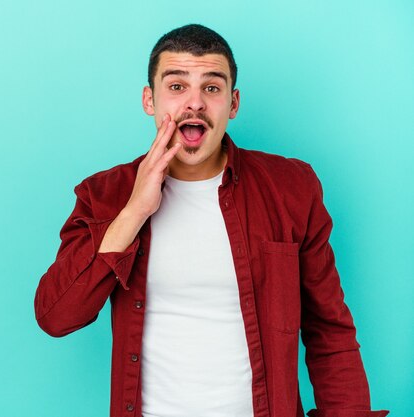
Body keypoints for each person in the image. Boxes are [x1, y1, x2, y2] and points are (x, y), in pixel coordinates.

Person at [34, 24, 388, 417]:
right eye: (176, 86)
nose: (195, 104)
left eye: (212, 88)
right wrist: (134, 210)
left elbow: (330, 333)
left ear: (233, 104)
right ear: (149, 100)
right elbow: (57, 316)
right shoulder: (104, 195)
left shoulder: (291, 189)